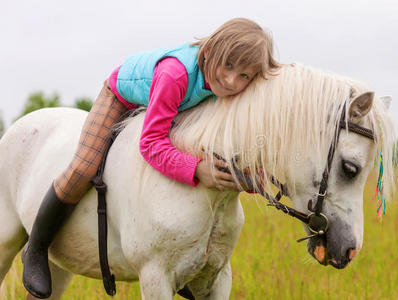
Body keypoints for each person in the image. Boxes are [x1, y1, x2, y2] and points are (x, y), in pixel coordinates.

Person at [22, 17, 280, 298]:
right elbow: (151, 143)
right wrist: (197, 171)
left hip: (176, 106)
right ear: (208, 53)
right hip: (123, 97)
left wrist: (255, 177)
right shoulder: (176, 74)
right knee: (84, 167)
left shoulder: (226, 89)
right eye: (228, 66)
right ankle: (36, 247)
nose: (232, 81)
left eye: (244, 76)